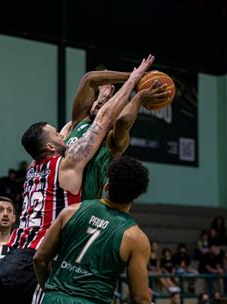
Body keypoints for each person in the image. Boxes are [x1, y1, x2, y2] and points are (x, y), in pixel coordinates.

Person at [0, 61, 161, 304]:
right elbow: (98, 103)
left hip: (23, 252)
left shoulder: (42, 159)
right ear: (52, 145)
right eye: (57, 134)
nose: (61, 134)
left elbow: (117, 120)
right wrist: (136, 82)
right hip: (47, 249)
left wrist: (109, 96)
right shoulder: (71, 146)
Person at [34, 156, 152, 304]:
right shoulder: (136, 238)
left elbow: (39, 259)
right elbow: (139, 299)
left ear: (107, 186)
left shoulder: (71, 211)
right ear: (136, 195)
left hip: (52, 302)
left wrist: (51, 290)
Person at [60, 54, 169, 200]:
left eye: (107, 102)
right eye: (100, 99)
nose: (101, 101)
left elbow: (123, 121)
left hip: (84, 209)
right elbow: (89, 79)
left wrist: (138, 98)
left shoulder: (112, 139)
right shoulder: (78, 122)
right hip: (55, 204)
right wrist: (133, 77)